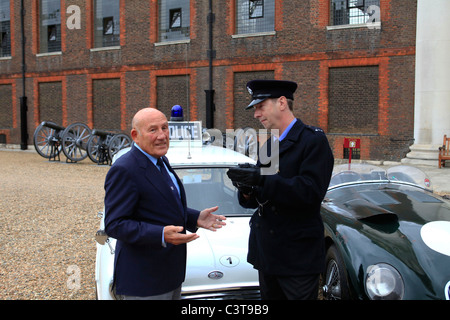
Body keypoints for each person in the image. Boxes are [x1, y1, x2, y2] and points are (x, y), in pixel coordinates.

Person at [227, 80, 334, 300]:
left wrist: (261, 179)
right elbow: (258, 198)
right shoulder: (270, 144)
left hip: (297, 257)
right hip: (268, 252)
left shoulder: (312, 141)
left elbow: (310, 193)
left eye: (260, 106)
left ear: (282, 103)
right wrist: (247, 189)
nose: (256, 114)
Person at [104, 107, 226, 300]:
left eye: (165, 128)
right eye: (153, 130)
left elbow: (159, 206)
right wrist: (160, 234)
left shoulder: (160, 160)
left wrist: (194, 217)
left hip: (170, 275)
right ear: (135, 135)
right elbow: (114, 224)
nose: (162, 136)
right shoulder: (125, 169)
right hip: (145, 281)